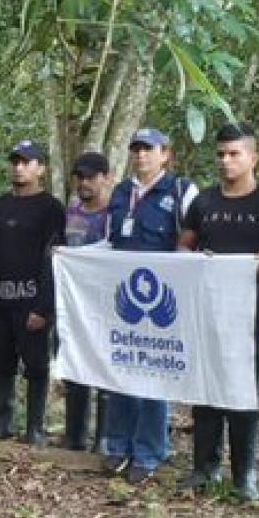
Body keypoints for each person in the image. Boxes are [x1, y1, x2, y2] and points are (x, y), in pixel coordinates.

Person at [179, 122, 259, 500]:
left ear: (253, 158)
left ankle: (245, 475)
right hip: (208, 314)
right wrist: (193, 259)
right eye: (221, 155)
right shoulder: (206, 201)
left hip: (254, 316)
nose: (226, 162)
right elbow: (184, 245)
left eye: (235, 154)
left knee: (246, 392)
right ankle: (204, 467)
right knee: (207, 388)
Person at [102, 128, 197, 484]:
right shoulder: (122, 192)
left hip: (162, 303)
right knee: (121, 368)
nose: (140, 156)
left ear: (165, 154)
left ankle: (149, 451)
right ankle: (117, 444)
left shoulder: (180, 191)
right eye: (136, 149)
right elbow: (111, 242)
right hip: (124, 300)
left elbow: (192, 238)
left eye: (148, 149)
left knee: (155, 373)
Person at [0, 140, 65, 446]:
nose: (19, 167)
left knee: (36, 366)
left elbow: (54, 260)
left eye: (26, 162)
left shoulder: (51, 208)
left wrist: (44, 306)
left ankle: (35, 426)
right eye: (16, 162)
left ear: (41, 168)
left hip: (31, 302)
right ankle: (0, 422)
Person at [62, 151, 112, 451]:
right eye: (80, 177)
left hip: (106, 304)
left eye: (91, 177)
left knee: (105, 367)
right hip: (73, 304)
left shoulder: (114, 215)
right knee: (75, 364)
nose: (85, 183)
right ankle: (75, 434)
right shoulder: (71, 213)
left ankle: (104, 436)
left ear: (105, 178)